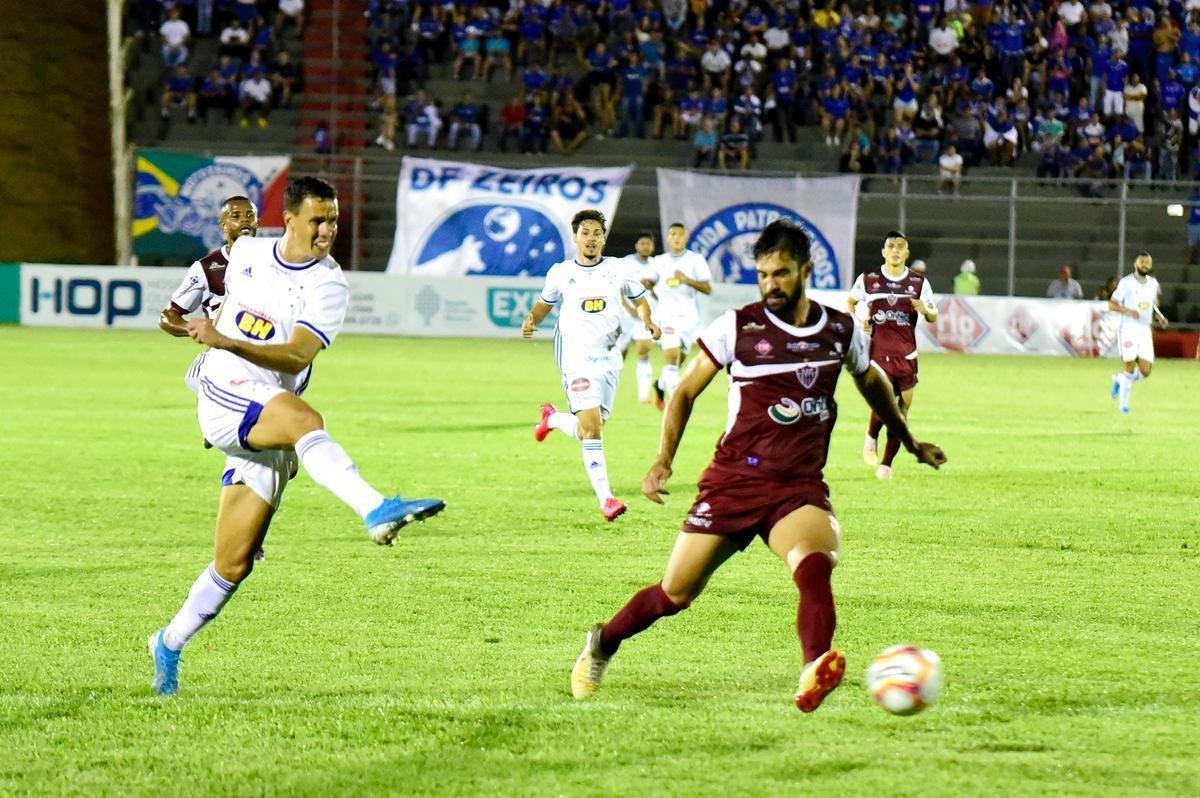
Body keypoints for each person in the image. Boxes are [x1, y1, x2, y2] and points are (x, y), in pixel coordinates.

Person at [569, 219, 946, 710]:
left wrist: (909, 441)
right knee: (675, 594)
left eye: (782, 273)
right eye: (764, 274)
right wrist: (663, 460)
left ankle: (814, 665)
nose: (771, 284)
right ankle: (602, 644)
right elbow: (684, 390)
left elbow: (872, 381)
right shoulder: (737, 326)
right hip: (733, 481)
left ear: (805, 270)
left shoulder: (839, 330)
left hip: (798, 487)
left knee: (814, 564)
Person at [147, 177, 446, 697]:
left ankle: (167, 643)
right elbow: (196, 303)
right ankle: (375, 509)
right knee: (309, 421)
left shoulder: (329, 284)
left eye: (333, 220)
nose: (328, 229)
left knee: (232, 563)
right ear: (288, 219)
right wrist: (205, 337)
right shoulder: (246, 254)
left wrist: (224, 335)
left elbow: (297, 355)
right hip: (228, 391)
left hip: (266, 412)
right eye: (317, 219)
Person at [524, 210, 661, 522]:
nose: (591, 238)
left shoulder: (618, 269)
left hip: (610, 359)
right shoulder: (560, 272)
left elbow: (640, 300)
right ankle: (607, 499)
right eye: (585, 233)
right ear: (575, 237)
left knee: (591, 428)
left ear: (604, 238)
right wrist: (532, 319)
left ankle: (554, 419)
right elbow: (545, 305)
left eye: (597, 233)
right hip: (576, 358)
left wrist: (649, 321)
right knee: (592, 427)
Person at [847, 231, 938, 481]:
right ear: (884, 251)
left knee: (902, 411)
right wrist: (861, 320)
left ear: (907, 253)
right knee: (885, 403)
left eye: (900, 247)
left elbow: (934, 315)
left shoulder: (919, 283)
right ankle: (871, 437)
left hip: (906, 354)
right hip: (878, 352)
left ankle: (886, 463)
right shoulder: (869, 280)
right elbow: (851, 301)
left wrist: (925, 309)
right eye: (891, 246)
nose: (895, 251)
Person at [159, 196, 260, 393]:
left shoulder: (273, 262)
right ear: (223, 226)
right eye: (236, 216)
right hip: (223, 359)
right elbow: (167, 317)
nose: (244, 220)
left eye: (250, 215)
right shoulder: (207, 268)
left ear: (258, 222)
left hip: (263, 356)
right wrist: (201, 329)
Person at [648, 223, 713, 408]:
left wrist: (685, 280)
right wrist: (653, 290)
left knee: (677, 363)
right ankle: (676, 403)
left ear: (686, 237)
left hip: (688, 318)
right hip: (666, 317)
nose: (676, 237)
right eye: (672, 234)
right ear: (668, 238)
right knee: (671, 359)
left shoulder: (696, 260)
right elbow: (649, 282)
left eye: (679, 234)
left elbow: (707, 288)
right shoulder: (658, 261)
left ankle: (660, 384)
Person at [1108, 252, 1167, 414]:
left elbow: (1151, 304)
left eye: (1148, 262)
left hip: (1144, 329)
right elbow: (1112, 305)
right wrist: (1127, 311)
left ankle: (1119, 379)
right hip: (1128, 328)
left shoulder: (1153, 284)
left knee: (1146, 371)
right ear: (1135, 263)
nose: (1145, 265)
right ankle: (1124, 405)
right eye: (1142, 262)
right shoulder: (1126, 283)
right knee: (1129, 365)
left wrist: (1159, 316)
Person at [616, 231, 661, 403]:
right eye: (642, 244)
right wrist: (629, 308)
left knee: (643, 350)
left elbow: (660, 293)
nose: (645, 247)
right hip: (625, 317)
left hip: (645, 317)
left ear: (652, 247)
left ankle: (643, 395)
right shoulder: (626, 263)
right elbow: (617, 289)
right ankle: (608, 386)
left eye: (648, 244)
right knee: (618, 354)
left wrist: (652, 288)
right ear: (636, 246)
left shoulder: (656, 266)